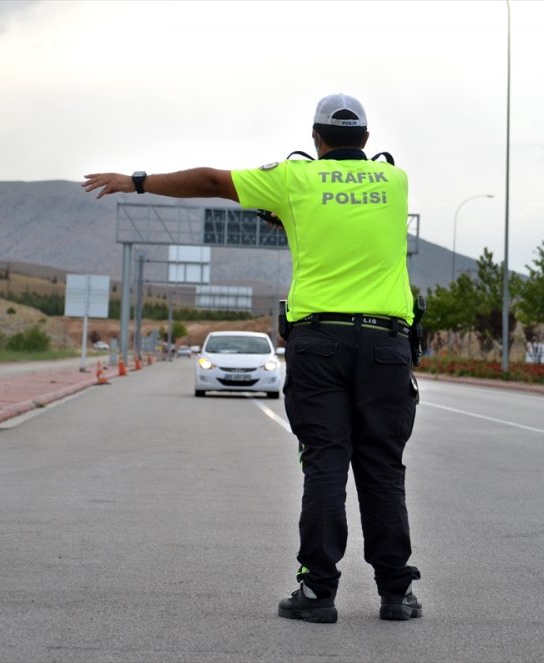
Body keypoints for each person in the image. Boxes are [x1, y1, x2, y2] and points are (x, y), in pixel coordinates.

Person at [82, 93, 421, 624]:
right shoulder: (396, 183)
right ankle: (396, 594)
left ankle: (318, 593)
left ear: (315, 139)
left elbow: (213, 181)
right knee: (382, 468)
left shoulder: (293, 180)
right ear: (368, 140)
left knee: (325, 462)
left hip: (319, 342)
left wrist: (139, 180)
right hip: (386, 345)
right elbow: (351, 230)